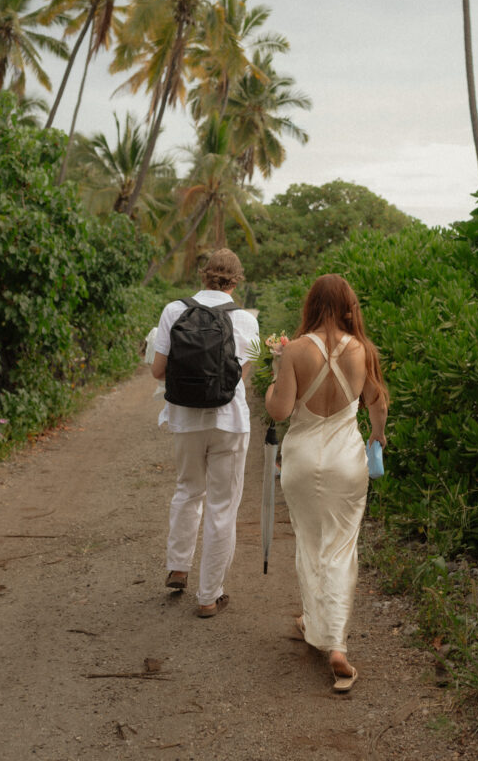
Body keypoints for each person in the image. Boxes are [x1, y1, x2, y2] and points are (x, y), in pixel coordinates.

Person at [265, 273, 388, 691]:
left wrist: (273, 379)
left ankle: (319, 628)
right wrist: (377, 435)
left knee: (309, 542)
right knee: (339, 546)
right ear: (348, 305)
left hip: (301, 461)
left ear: (311, 305)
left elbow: (280, 411)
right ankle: (334, 643)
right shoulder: (364, 350)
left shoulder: (295, 351)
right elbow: (378, 404)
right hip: (345, 461)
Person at [151, 248, 259, 617]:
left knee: (186, 489)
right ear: (236, 279)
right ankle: (209, 596)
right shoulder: (247, 320)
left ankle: (178, 565)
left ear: (204, 275)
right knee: (221, 505)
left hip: (184, 418)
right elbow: (243, 377)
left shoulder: (173, 310)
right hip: (228, 421)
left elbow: (157, 370)